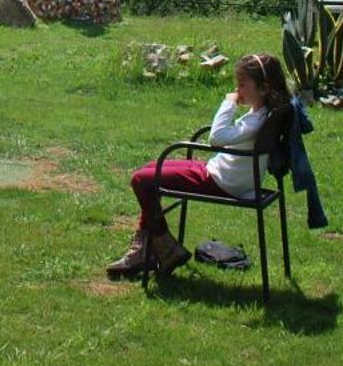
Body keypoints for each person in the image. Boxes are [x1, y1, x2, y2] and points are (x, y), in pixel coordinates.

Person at [106, 52, 292, 278]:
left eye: (242, 85)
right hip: (222, 174)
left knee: (141, 179)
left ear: (263, 88)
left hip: (221, 182)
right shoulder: (264, 114)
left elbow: (217, 137)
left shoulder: (256, 121)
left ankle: (165, 248)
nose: (238, 90)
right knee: (149, 169)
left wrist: (228, 102)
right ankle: (145, 250)